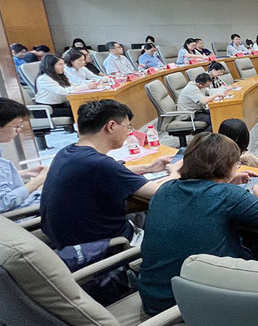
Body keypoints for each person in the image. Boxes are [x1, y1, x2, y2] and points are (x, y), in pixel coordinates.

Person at [138, 132, 258, 314]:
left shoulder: (165, 189)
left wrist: (226, 183)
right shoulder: (226, 195)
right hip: (201, 306)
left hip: (154, 298)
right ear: (227, 166)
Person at [40, 100, 179, 248]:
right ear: (111, 126)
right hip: (107, 245)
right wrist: (175, 171)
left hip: (71, 241)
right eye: (128, 127)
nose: (129, 132)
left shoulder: (67, 152)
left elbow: (111, 172)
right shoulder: (99, 164)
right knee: (178, 226)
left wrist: (147, 167)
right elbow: (162, 192)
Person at [0, 98, 47, 212]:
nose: (19, 130)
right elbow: (4, 203)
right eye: (17, 126)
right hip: (19, 215)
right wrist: (38, 180)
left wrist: (22, 173)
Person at [34, 55, 100, 117]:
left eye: (63, 64)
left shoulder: (60, 75)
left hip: (61, 105)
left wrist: (89, 85)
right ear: (51, 66)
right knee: (82, 111)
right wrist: (86, 86)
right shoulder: (44, 78)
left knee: (88, 107)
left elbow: (73, 85)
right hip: (47, 109)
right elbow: (62, 91)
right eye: (60, 64)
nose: (63, 67)